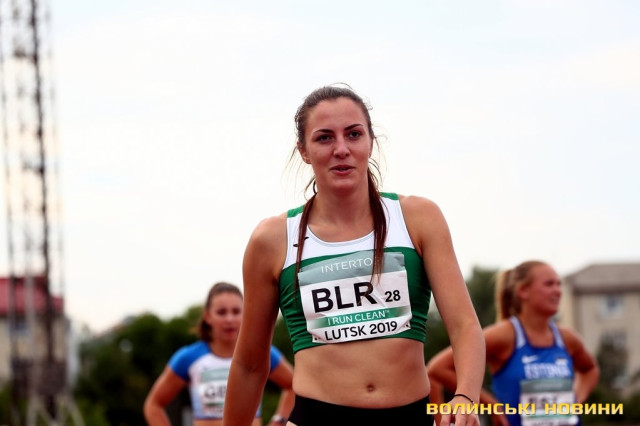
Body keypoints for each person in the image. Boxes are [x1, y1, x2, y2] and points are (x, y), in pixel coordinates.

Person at [222, 85, 485, 426]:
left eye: (353, 134)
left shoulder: (418, 218)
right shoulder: (272, 239)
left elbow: (464, 326)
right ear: (304, 151)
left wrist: (465, 396)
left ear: (371, 142)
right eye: (324, 138)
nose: (341, 149)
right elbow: (250, 364)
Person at [427, 260, 600, 426]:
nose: (558, 291)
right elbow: (437, 369)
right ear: (523, 291)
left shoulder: (567, 338)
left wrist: (575, 399)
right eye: (549, 284)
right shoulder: (505, 335)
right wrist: (491, 404)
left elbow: (590, 370)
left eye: (558, 284)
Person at [144, 282, 295, 426]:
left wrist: (279, 421)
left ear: (245, 314)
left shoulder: (261, 353)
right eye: (221, 312)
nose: (229, 319)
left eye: (236, 311)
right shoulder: (188, 357)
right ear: (207, 316)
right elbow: (153, 404)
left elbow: (293, 386)